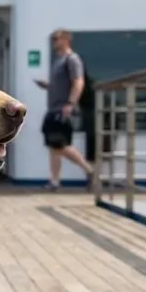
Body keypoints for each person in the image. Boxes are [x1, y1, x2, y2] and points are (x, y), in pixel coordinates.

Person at [35, 29, 95, 190]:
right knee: (53, 145)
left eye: (56, 39)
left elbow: (78, 82)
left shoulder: (72, 59)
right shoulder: (58, 61)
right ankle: (55, 181)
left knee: (60, 144)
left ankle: (91, 171)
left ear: (66, 40)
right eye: (53, 39)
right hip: (54, 109)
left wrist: (70, 103)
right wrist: (47, 86)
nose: (53, 42)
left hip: (63, 108)